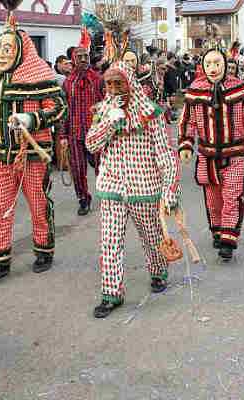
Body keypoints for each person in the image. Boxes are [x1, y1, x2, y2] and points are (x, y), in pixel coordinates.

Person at [0, 14, 66, 282]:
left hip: (32, 156)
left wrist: (31, 119)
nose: (1, 55)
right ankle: (0, 260)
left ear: (21, 51)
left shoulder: (40, 77)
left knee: (39, 205)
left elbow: (59, 108)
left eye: (8, 49)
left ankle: (44, 250)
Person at [85, 62, 180, 318]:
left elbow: (164, 154)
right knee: (110, 242)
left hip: (144, 187)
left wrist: (170, 190)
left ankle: (159, 270)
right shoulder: (102, 110)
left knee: (151, 237)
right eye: (109, 84)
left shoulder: (151, 113)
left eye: (119, 83)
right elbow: (91, 144)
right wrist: (108, 123)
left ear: (130, 84)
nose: (114, 89)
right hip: (111, 186)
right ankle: (111, 293)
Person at [179, 44, 244, 261]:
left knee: (232, 195)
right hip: (207, 155)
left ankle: (228, 239)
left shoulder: (240, 89)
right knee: (213, 198)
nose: (213, 68)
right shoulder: (195, 91)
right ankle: (217, 230)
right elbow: (187, 121)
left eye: (217, 63)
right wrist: (186, 144)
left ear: (226, 65)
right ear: (202, 66)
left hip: (235, 153)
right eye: (208, 63)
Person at [62, 45, 104, 216]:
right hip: (74, 132)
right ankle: (83, 199)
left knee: (101, 167)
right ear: (73, 59)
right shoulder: (67, 82)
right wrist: (63, 135)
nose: (84, 60)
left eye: (86, 56)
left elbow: (106, 103)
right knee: (78, 169)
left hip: (95, 132)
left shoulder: (98, 79)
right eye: (79, 57)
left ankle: (106, 194)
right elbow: (64, 110)